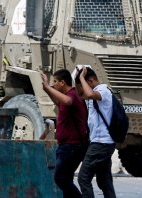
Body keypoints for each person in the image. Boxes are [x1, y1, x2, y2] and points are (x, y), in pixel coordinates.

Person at [41, 69, 88, 198]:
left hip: (71, 146)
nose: (54, 85)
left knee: (60, 178)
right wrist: (46, 89)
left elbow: (67, 101)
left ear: (62, 82)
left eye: (55, 82)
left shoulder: (72, 95)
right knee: (66, 179)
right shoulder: (66, 97)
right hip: (67, 146)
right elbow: (58, 102)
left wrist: (47, 87)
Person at [75, 67, 117, 198]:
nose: (81, 90)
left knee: (83, 178)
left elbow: (90, 95)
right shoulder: (101, 91)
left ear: (91, 80)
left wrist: (81, 78)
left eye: (83, 85)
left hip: (101, 143)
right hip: (103, 142)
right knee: (104, 181)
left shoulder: (102, 90)